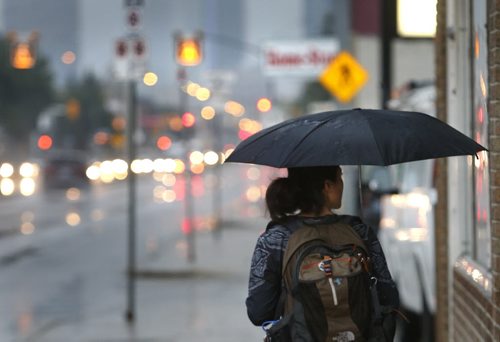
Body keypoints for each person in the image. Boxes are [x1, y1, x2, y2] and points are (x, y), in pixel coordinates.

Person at [245, 165, 400, 340]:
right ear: (327, 187)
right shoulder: (359, 232)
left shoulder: (275, 239)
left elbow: (258, 312)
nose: (342, 183)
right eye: (339, 177)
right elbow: (389, 298)